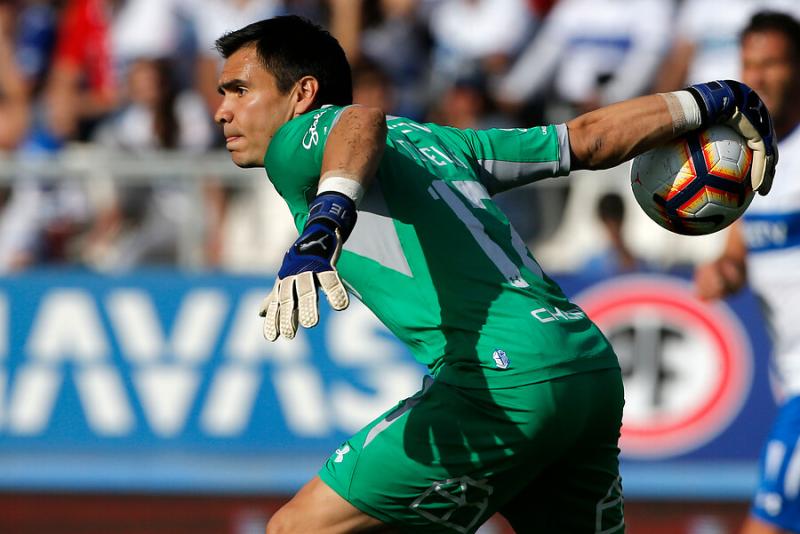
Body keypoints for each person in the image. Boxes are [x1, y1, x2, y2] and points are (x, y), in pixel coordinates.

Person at [213, 16, 777, 533]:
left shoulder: (296, 142)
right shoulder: (442, 141)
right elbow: (587, 139)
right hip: (585, 365)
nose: (222, 111)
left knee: (296, 529)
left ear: (303, 94)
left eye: (239, 89)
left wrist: (326, 222)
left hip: (501, 381)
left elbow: (358, 120)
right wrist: (711, 99)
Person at [694, 11, 800, 534]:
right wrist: (724, 271)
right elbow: (740, 253)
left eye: (773, 63)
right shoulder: (746, 156)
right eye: (750, 65)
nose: (758, 77)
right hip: (787, 373)